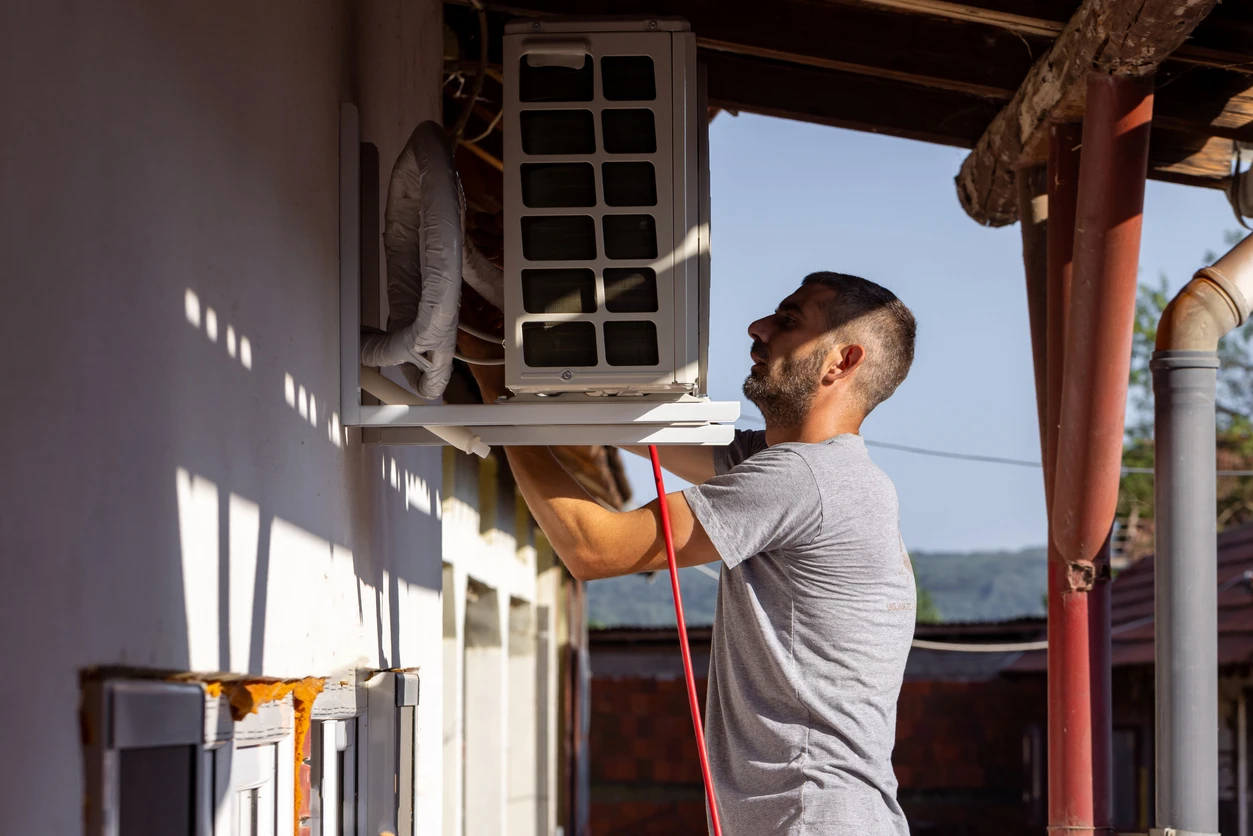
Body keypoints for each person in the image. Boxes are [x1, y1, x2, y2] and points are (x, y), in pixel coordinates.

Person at [461, 271, 918, 836]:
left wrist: (492, 391)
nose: (758, 328)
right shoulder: (799, 468)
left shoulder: (806, 478)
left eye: (790, 320)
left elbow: (592, 549)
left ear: (841, 362)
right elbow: (631, 425)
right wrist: (522, 365)